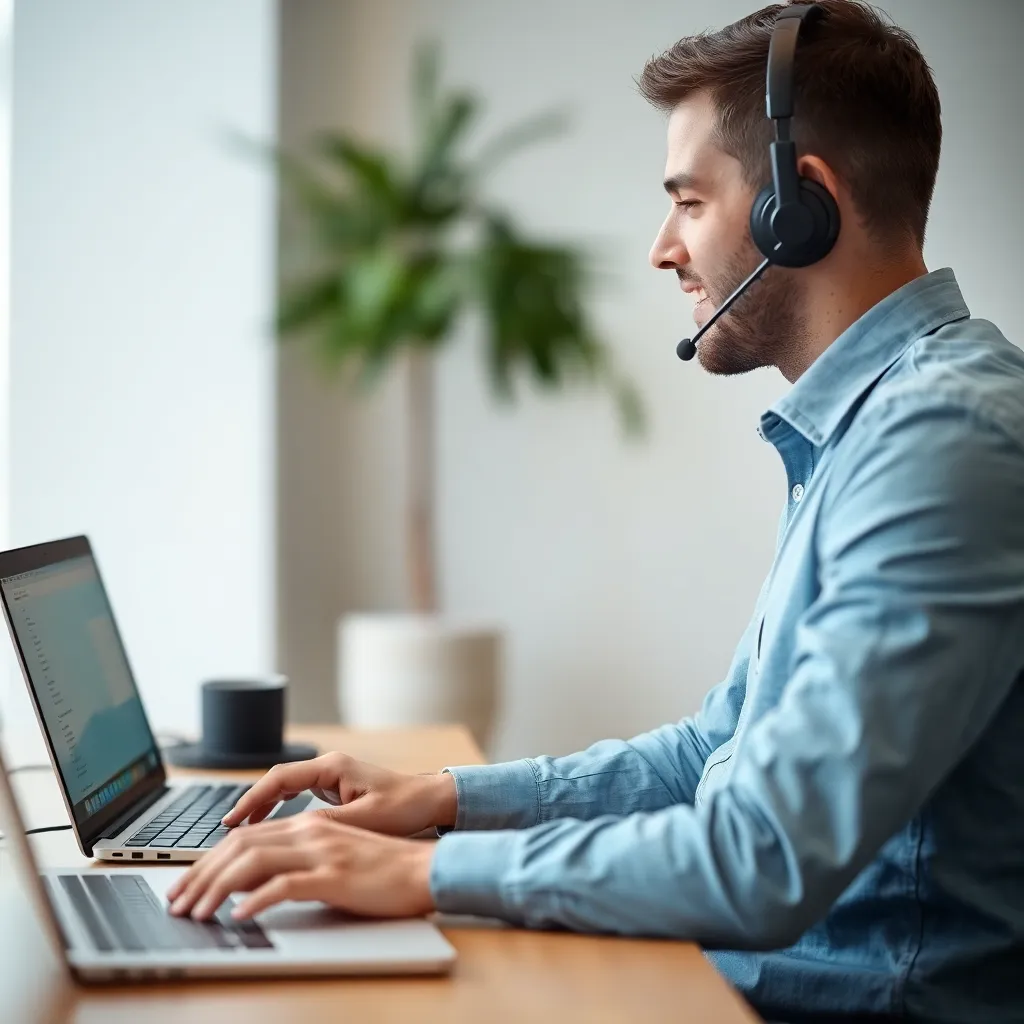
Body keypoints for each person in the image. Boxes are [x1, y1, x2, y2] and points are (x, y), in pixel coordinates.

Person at [169, 1, 1024, 1021]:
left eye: (689, 201)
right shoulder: (877, 425)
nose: (662, 247)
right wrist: (442, 798)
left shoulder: (944, 442)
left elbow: (761, 857)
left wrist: (426, 877)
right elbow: (715, 750)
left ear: (798, 207)